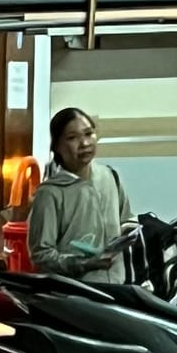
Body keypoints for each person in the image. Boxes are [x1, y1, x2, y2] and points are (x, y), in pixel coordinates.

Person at [26, 106, 134, 282]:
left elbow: (127, 220)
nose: (84, 143)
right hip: (74, 291)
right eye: (72, 138)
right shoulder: (50, 193)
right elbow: (41, 255)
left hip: (116, 286)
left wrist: (128, 234)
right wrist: (84, 264)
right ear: (57, 146)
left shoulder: (110, 176)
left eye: (89, 134)